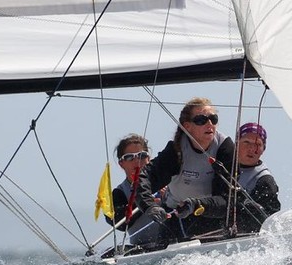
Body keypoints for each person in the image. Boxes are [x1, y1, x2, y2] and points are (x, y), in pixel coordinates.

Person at [131, 97, 234, 247]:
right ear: (187, 126)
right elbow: (143, 178)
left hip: (211, 215)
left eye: (213, 118)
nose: (209, 124)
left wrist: (196, 204)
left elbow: (227, 201)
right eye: (201, 120)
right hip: (175, 215)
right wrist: (150, 206)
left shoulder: (225, 148)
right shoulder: (176, 150)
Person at [222, 122, 281, 233]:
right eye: (246, 142)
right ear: (236, 144)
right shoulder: (222, 168)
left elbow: (269, 222)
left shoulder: (265, 181)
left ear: (263, 149)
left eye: (258, 144)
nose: (252, 149)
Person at [104, 133, 152, 234]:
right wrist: (142, 201)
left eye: (142, 156)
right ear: (121, 164)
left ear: (149, 159)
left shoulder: (168, 182)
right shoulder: (119, 193)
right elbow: (118, 222)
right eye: (130, 157)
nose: (137, 161)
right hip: (142, 247)